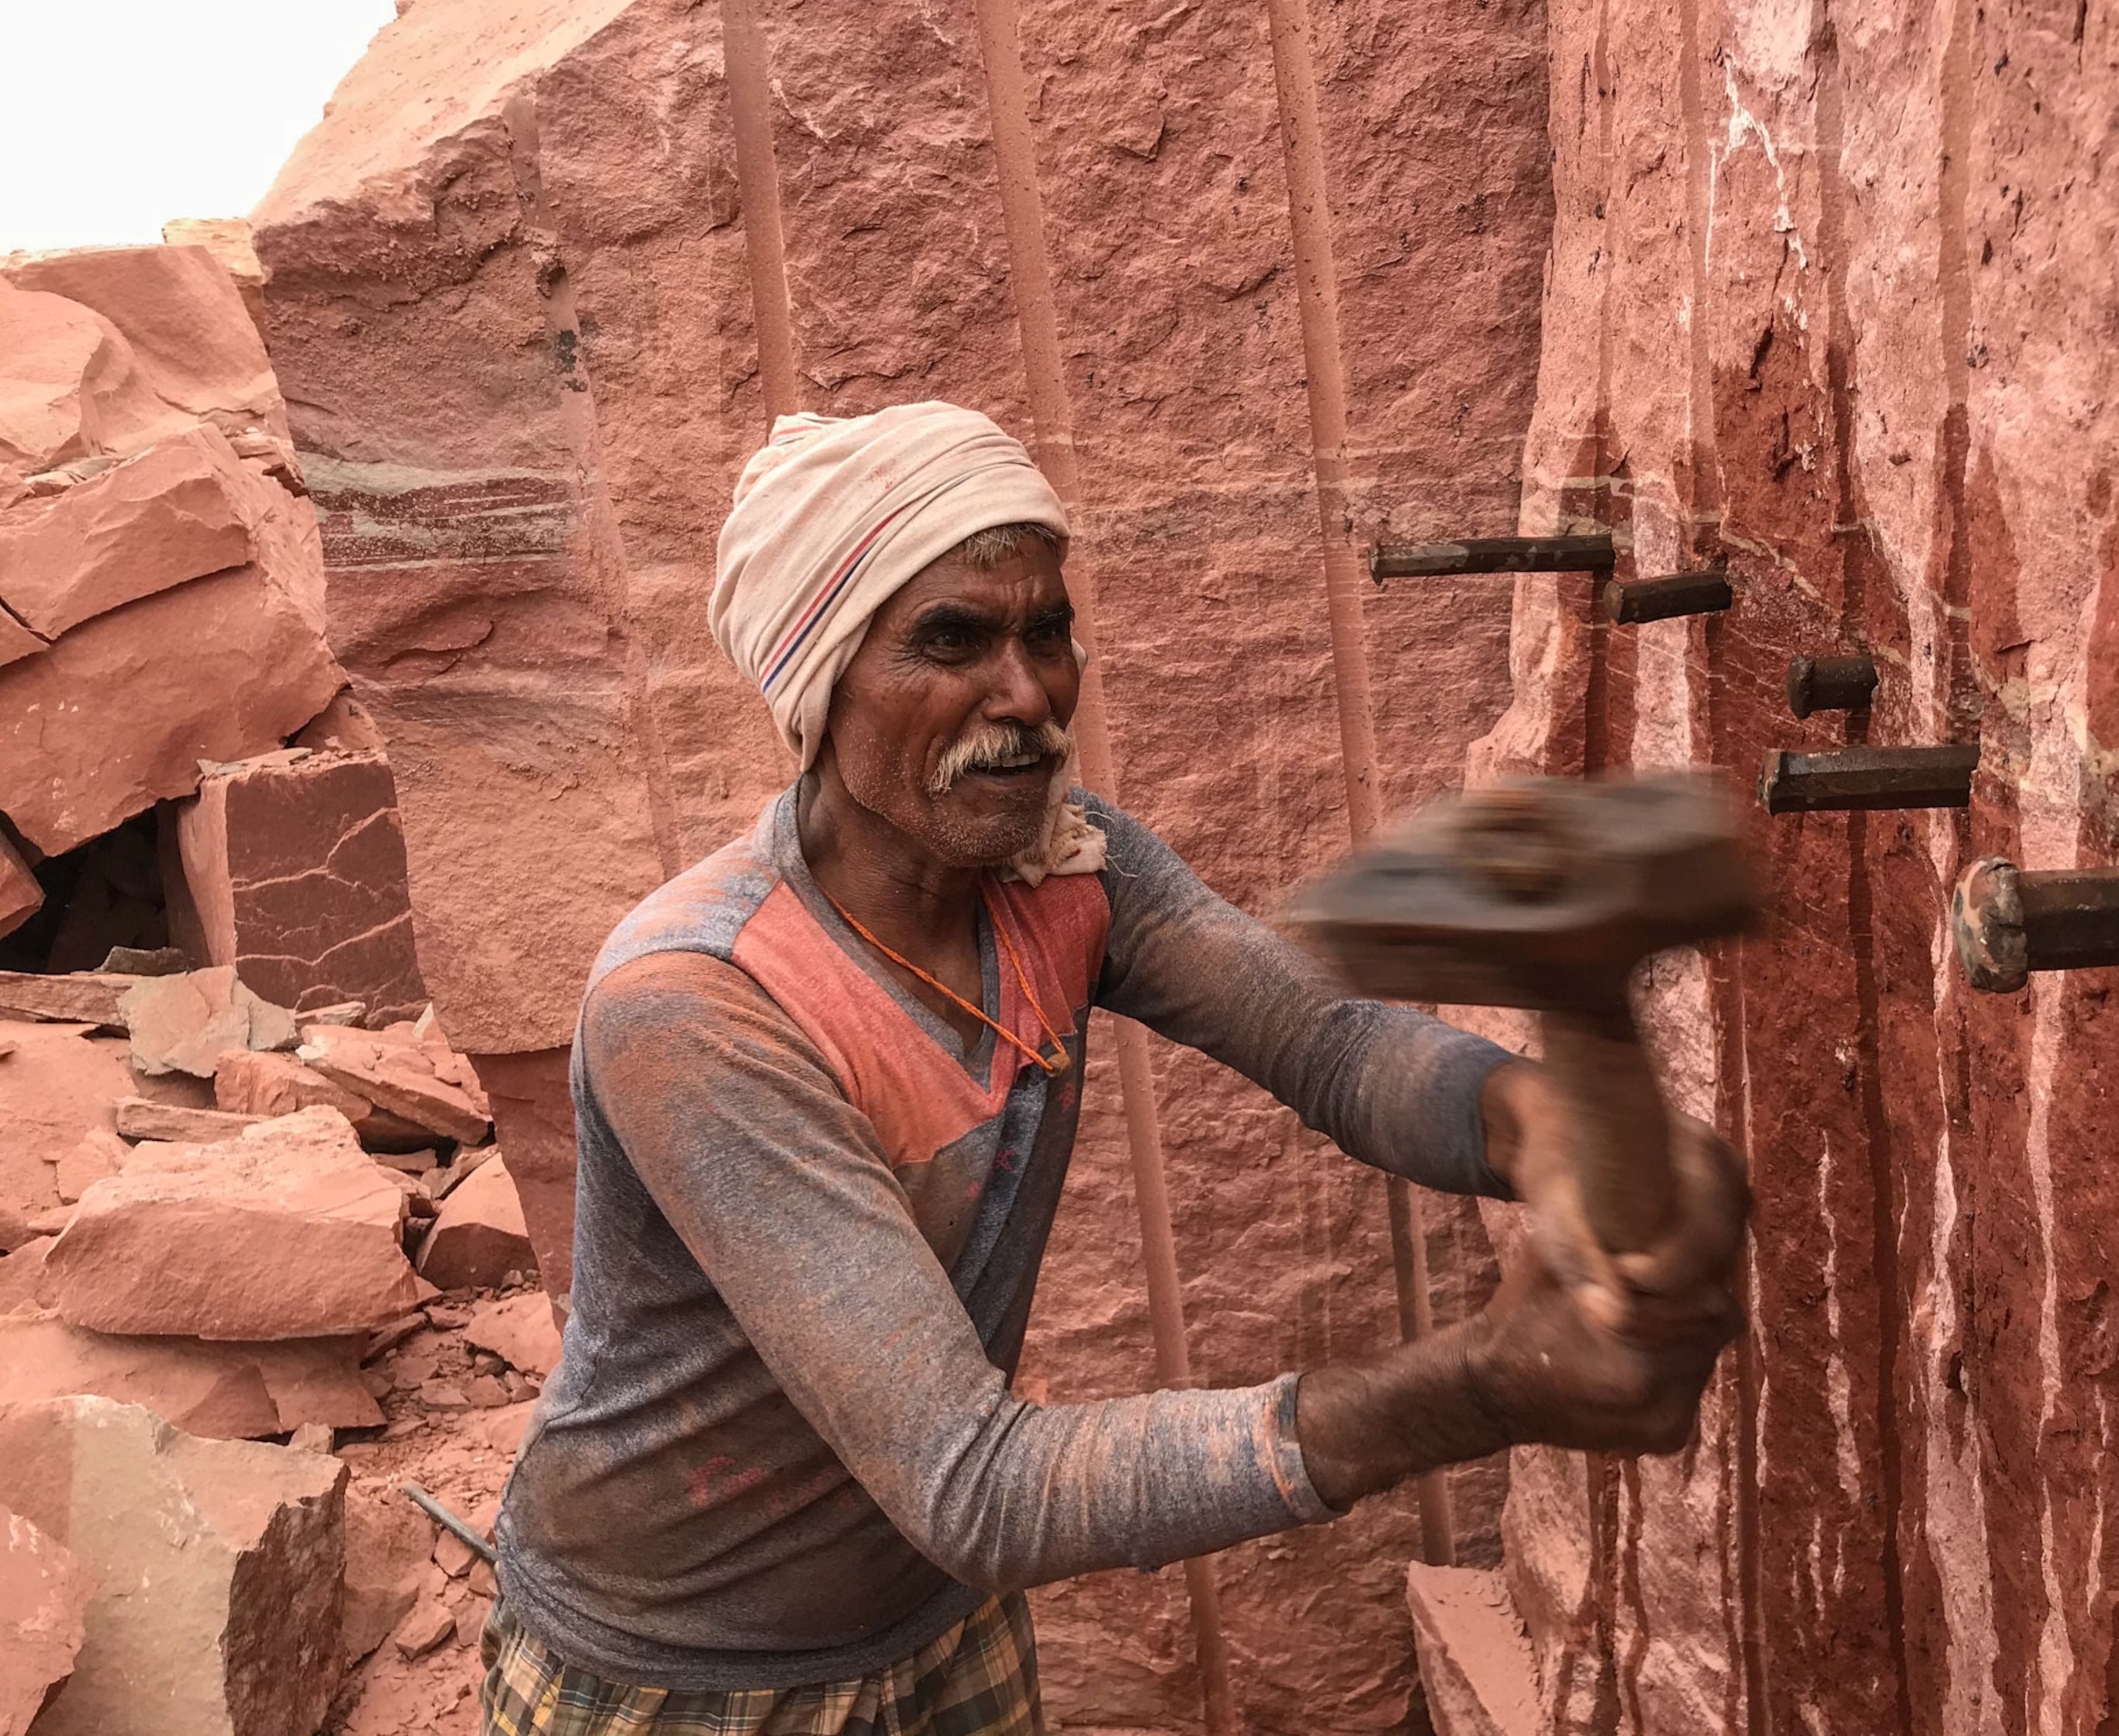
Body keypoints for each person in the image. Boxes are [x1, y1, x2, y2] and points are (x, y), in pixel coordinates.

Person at [481, 403, 1744, 1736]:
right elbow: (978, 1483)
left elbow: (1330, 1042)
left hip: (932, 1621)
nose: (1024, 693)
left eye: (1047, 633)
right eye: (954, 640)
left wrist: (1545, 1124)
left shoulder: (1067, 874)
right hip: (674, 1677)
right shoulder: (700, 1005)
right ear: (822, 677)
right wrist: (1483, 1385)